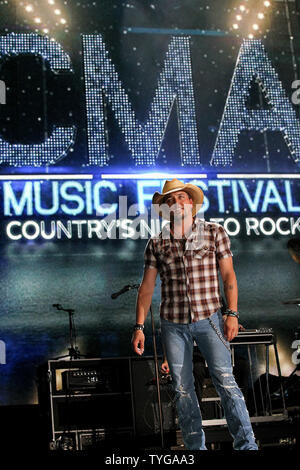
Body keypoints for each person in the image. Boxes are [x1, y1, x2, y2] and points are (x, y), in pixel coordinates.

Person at [132, 178, 258, 450]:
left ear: (191, 203)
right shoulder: (157, 243)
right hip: (173, 325)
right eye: (169, 200)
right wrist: (139, 326)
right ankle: (194, 449)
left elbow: (229, 276)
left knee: (226, 382)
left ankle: (247, 445)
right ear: (165, 209)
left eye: (181, 198)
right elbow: (146, 289)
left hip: (209, 319)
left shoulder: (215, 232)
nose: (176, 203)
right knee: (183, 391)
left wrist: (232, 313)